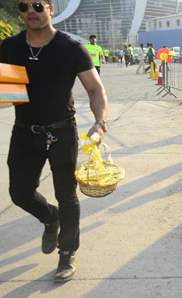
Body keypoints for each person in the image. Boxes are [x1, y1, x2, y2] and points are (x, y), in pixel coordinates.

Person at [0, 0, 108, 282]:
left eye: (37, 5)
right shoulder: (10, 47)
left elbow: (95, 89)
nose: (30, 11)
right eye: (24, 6)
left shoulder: (70, 48)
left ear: (50, 8)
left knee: (67, 194)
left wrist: (100, 123)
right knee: (19, 193)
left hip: (62, 132)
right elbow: (8, 96)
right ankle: (50, 217)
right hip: (24, 131)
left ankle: (67, 252)